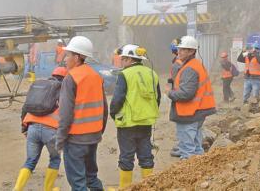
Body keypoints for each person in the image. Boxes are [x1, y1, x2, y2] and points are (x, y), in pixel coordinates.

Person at [55, 36, 108, 191]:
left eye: (68, 55)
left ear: (77, 57)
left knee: (78, 183)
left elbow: (65, 114)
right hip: (93, 137)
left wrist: (60, 139)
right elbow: (104, 108)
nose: (65, 59)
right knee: (91, 177)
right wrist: (98, 132)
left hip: (76, 140)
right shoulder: (95, 76)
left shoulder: (71, 78)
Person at [110, 44, 160, 189]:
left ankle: (125, 187)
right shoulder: (152, 73)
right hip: (146, 122)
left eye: (122, 59)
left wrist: (114, 114)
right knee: (146, 155)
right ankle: (148, 186)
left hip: (128, 124)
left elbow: (117, 99)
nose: (121, 62)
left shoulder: (124, 74)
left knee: (126, 157)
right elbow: (157, 97)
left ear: (128, 59)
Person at [13, 66, 67, 191]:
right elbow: (67, 114)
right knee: (55, 159)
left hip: (32, 128)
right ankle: (48, 189)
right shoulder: (63, 91)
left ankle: (17, 189)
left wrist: (24, 128)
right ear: (65, 78)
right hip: (52, 131)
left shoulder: (39, 87)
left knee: (30, 161)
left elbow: (25, 108)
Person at [165, 36, 216, 160]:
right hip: (197, 112)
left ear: (192, 51)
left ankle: (189, 177)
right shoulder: (195, 64)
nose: (180, 52)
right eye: (179, 49)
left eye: (184, 50)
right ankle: (200, 174)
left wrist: (169, 93)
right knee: (197, 147)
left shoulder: (189, 69)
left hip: (189, 113)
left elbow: (186, 94)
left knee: (187, 150)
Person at [168, 38, 182, 158]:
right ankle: (183, 145)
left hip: (179, 95)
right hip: (180, 93)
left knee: (182, 121)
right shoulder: (181, 61)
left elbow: (176, 79)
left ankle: (183, 146)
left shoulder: (178, 62)